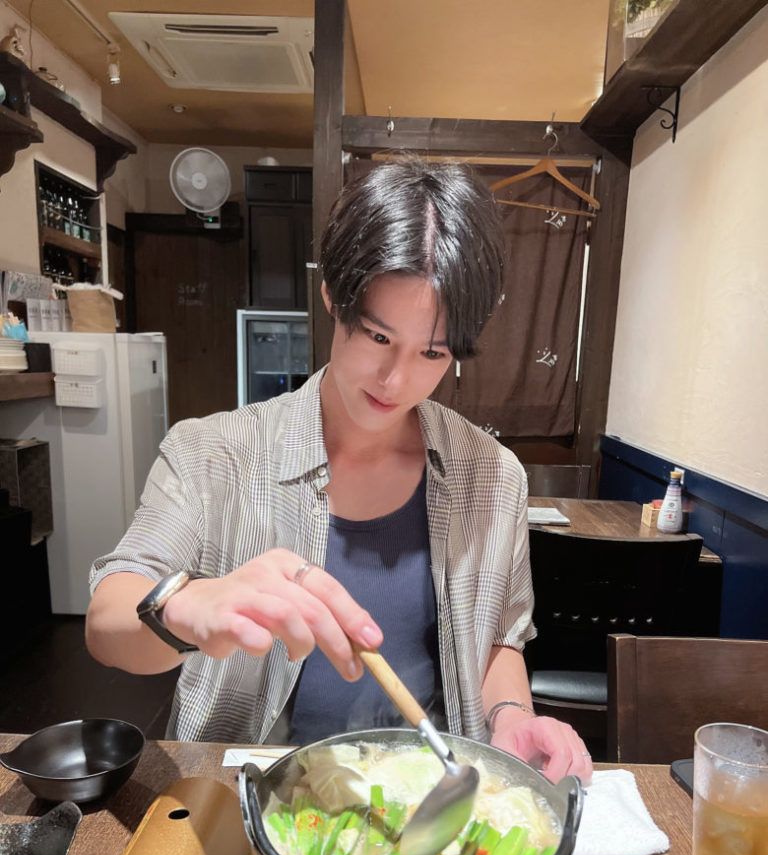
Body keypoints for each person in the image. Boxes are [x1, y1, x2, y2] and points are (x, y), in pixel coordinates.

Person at [85, 158, 592, 784]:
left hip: (427, 795)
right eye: (378, 338)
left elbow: (498, 638)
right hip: (254, 796)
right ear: (332, 294)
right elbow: (107, 623)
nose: (396, 380)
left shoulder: (492, 477)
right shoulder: (213, 454)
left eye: (432, 353)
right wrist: (188, 605)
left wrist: (511, 716)